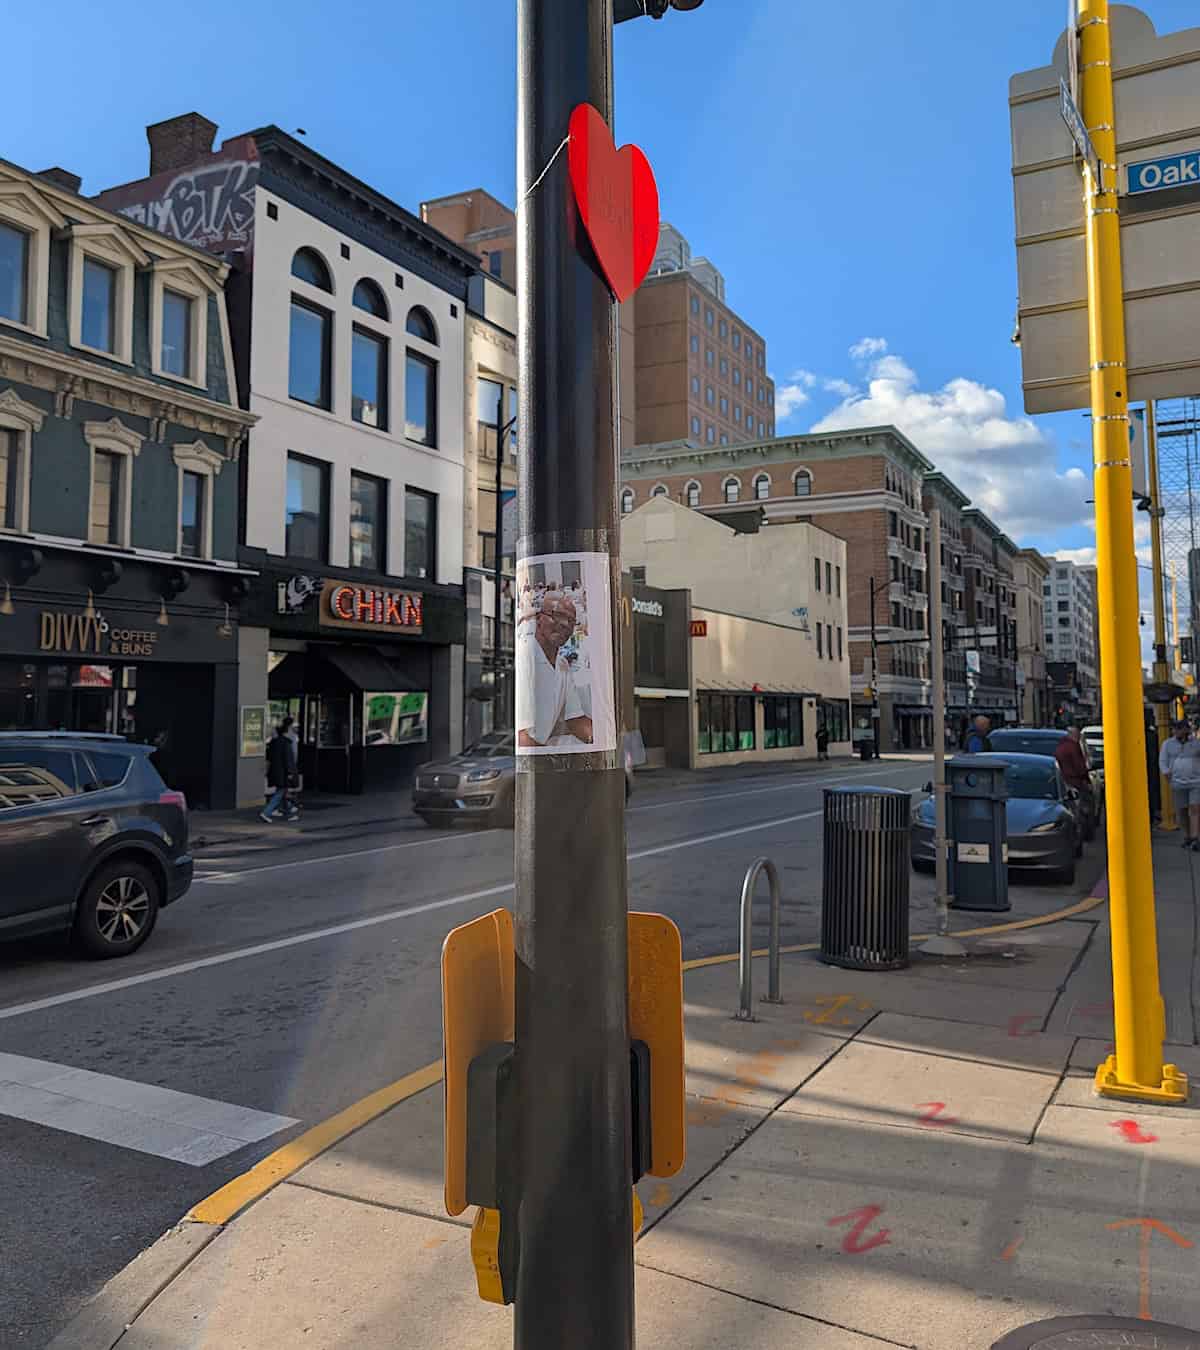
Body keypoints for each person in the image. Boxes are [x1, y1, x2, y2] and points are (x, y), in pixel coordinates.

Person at [517, 592, 593, 748]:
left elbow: (575, 720)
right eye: (557, 615)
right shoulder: (525, 657)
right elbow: (521, 737)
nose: (564, 624)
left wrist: (606, 738)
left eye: (571, 621)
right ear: (539, 618)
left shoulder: (562, 664)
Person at [1162, 720, 1200, 848]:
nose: (1179, 731)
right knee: (1182, 811)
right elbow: (1163, 760)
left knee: (1195, 808)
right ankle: (1188, 836)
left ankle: (1195, 837)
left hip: (1195, 781)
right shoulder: (1167, 744)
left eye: (1182, 728)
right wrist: (1167, 773)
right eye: (1177, 729)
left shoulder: (1196, 743)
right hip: (1178, 782)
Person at [262, 719, 299, 823]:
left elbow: (270, 758)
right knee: (280, 793)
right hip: (283, 773)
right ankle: (266, 812)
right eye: (291, 730)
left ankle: (288, 813)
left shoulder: (275, 743)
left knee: (283, 793)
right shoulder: (286, 743)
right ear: (287, 731)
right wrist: (290, 773)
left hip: (277, 772)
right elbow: (288, 760)